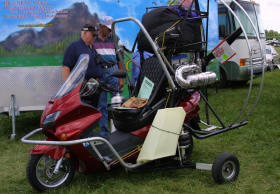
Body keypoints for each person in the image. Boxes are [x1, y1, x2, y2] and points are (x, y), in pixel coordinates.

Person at [94, 16, 124, 136]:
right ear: (101, 26)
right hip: (100, 72)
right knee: (101, 105)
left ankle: (118, 130)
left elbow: (120, 58)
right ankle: (104, 132)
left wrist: (121, 77)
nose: (110, 31)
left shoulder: (116, 38)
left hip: (114, 71)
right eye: (108, 28)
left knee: (117, 103)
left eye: (111, 28)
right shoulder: (94, 39)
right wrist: (95, 76)